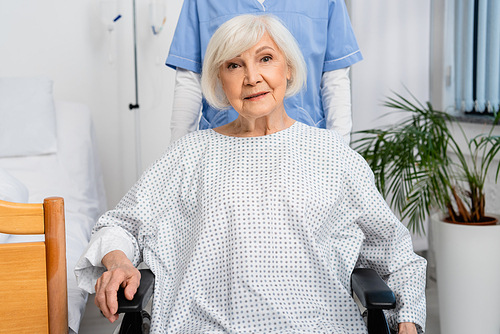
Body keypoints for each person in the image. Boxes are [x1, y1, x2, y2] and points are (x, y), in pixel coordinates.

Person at [75, 14, 426, 334]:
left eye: (266, 58)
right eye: (234, 65)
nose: (252, 77)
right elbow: (118, 224)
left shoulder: (333, 154)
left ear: (288, 68)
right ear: (219, 79)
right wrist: (119, 261)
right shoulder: (189, 153)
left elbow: (395, 253)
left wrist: (407, 321)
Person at [166, 0, 362, 144]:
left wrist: (340, 149)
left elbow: (335, 80)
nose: (252, 78)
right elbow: (189, 81)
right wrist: (177, 156)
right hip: (223, 142)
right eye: (235, 65)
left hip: (306, 138)